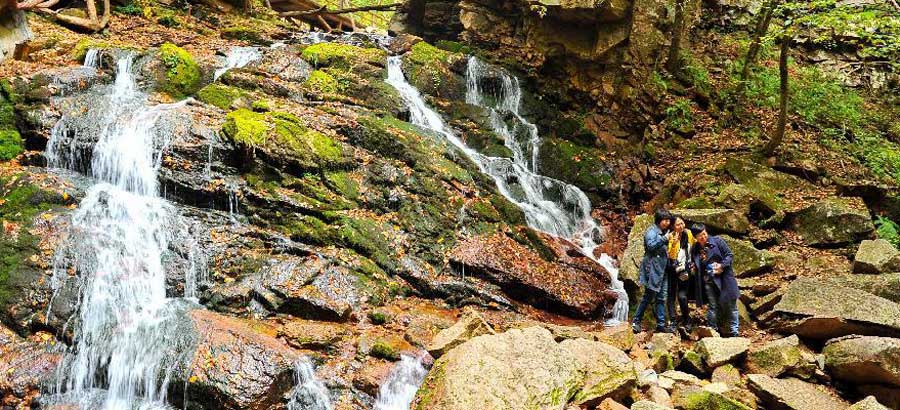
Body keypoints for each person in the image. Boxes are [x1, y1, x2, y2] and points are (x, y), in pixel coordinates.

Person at [689, 223, 740, 337]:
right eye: (700, 236)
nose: (703, 237)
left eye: (704, 233)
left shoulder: (717, 241)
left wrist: (721, 265)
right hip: (708, 280)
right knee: (713, 306)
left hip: (724, 278)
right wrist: (693, 267)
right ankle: (712, 330)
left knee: (731, 305)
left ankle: (735, 331)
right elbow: (694, 263)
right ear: (695, 237)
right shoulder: (695, 248)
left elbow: (729, 255)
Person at [632, 209, 672, 333]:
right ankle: (636, 321)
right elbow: (650, 246)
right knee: (648, 296)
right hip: (653, 269)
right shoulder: (652, 231)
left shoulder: (664, 232)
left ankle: (660, 324)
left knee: (661, 297)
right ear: (659, 220)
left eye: (668, 220)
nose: (667, 222)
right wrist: (664, 239)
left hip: (663, 270)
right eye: (665, 220)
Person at [665, 216, 701, 331]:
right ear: (673, 227)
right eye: (678, 225)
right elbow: (670, 255)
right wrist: (674, 243)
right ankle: (673, 321)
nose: (681, 226)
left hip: (685, 268)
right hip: (672, 269)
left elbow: (696, 245)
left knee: (682, 295)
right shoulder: (670, 236)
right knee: (671, 296)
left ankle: (687, 319)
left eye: (682, 223)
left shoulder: (689, 233)